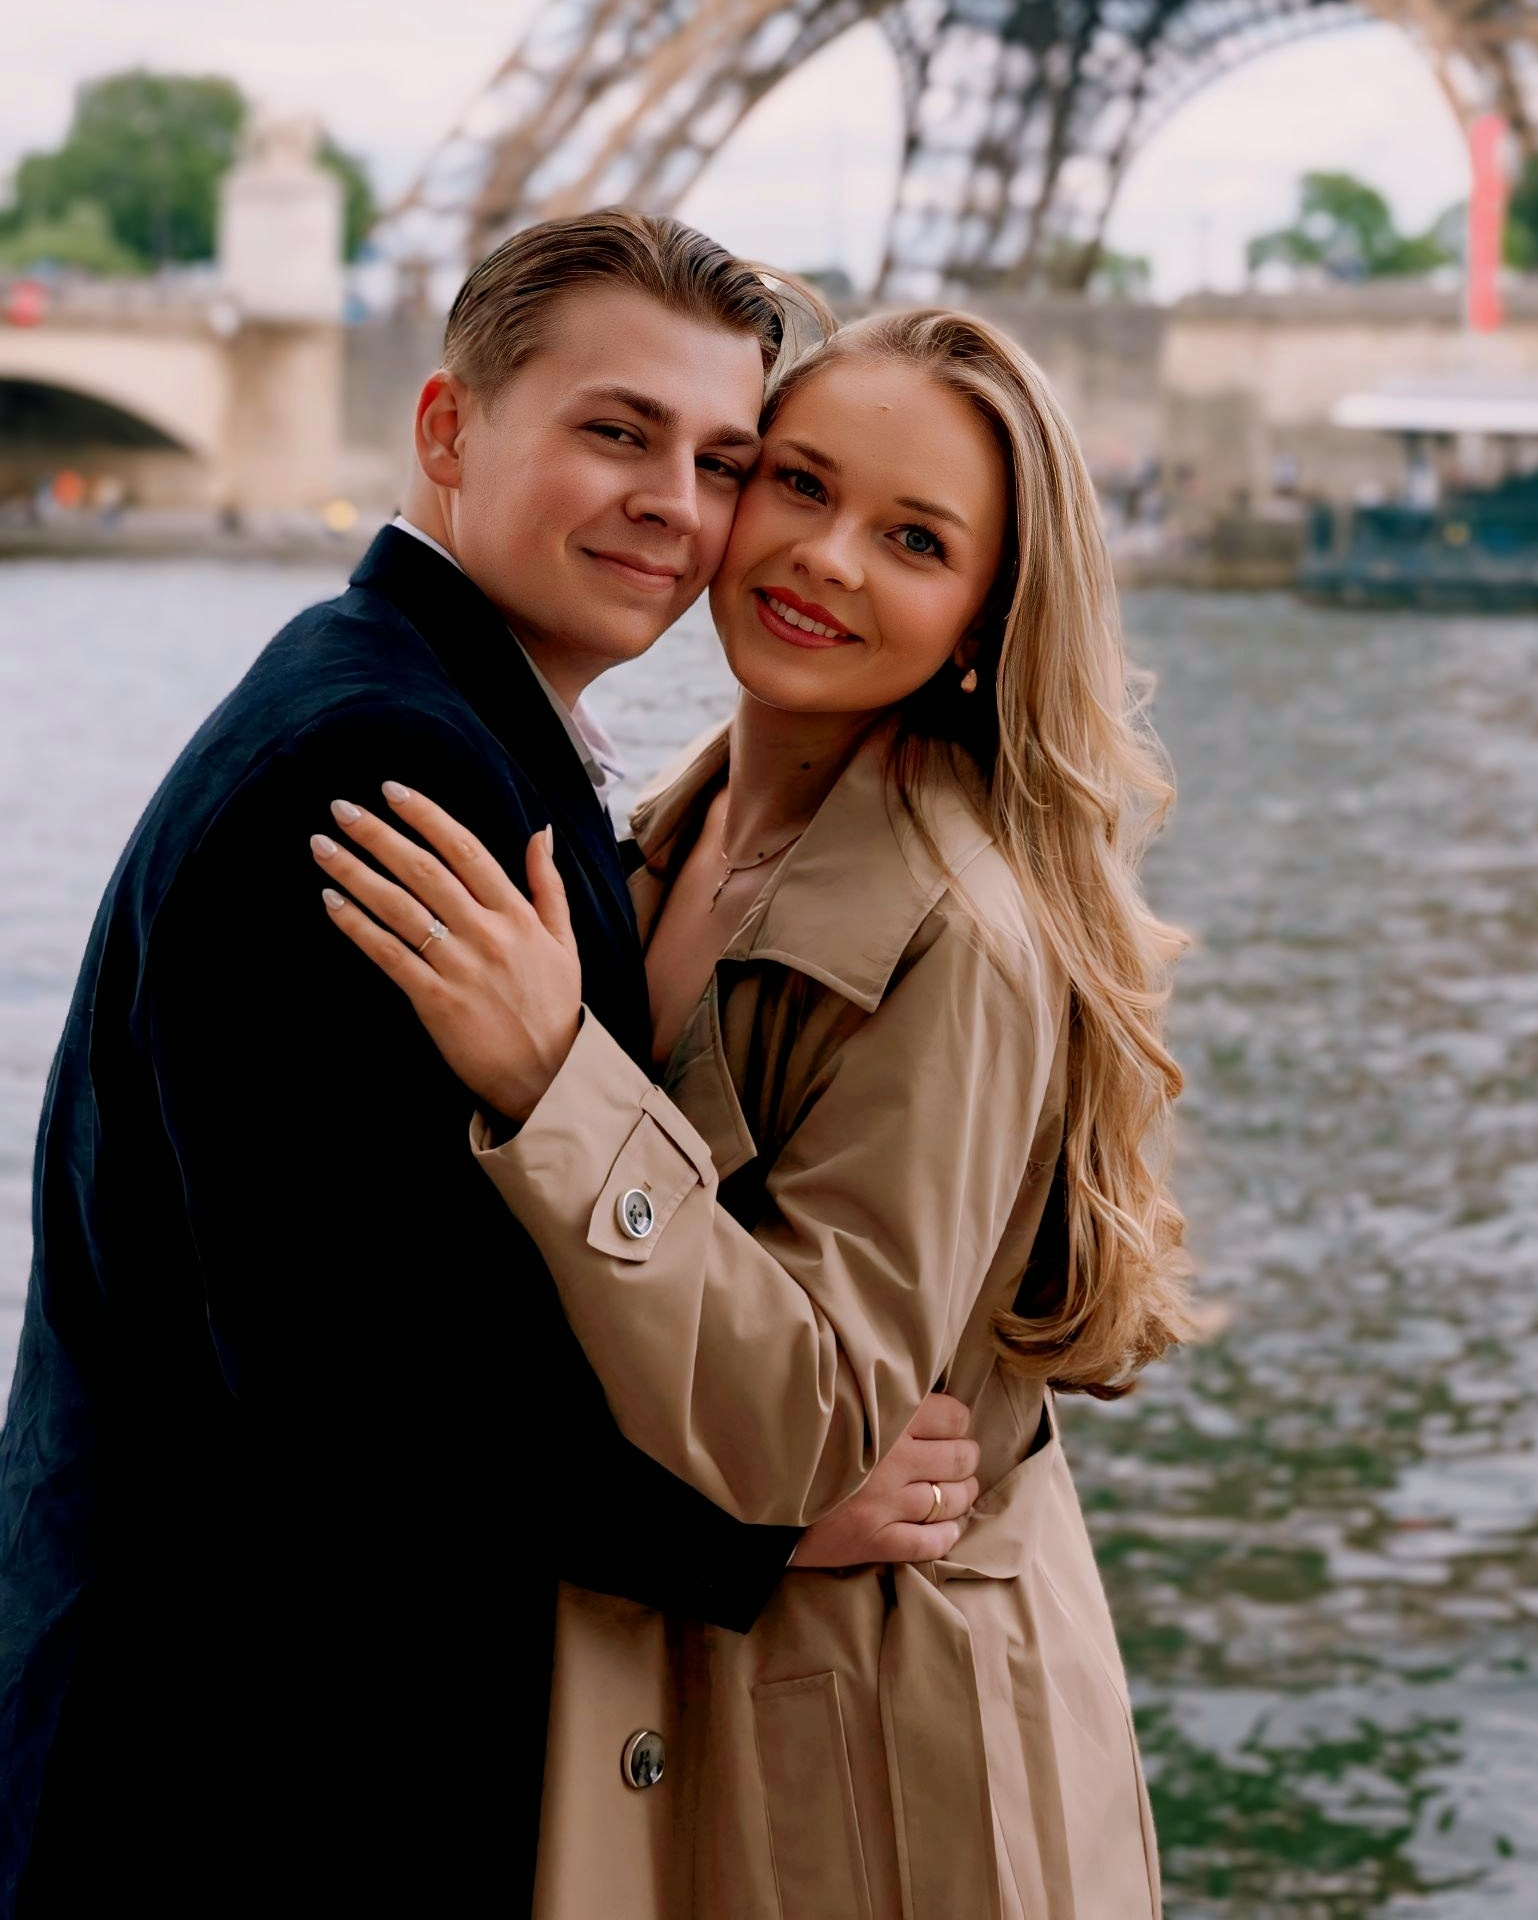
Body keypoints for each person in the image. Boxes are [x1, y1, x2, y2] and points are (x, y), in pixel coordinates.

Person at [0, 215, 973, 1920]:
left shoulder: (418, 702)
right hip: (249, 1790)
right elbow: (338, 1374)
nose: (678, 501)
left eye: (723, 456)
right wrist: (757, 1531)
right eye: (617, 431)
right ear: (449, 432)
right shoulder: (393, 763)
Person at [314, 302, 1193, 1918]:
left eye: (914, 538)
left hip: (893, 1741)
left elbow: (815, 1420)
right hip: (742, 1690)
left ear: (985, 617)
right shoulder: (660, 834)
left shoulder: (958, 933)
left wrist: (552, 1083)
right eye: (797, 484)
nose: (827, 557)